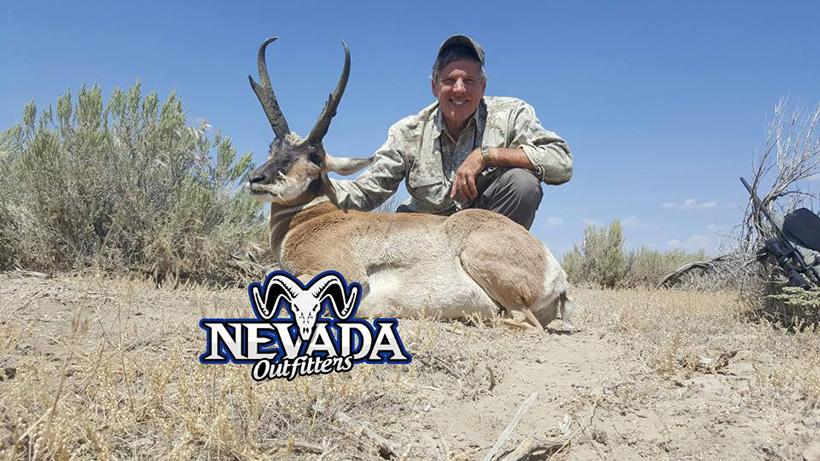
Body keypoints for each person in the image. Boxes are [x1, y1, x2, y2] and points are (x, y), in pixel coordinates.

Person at [329, 34, 572, 230]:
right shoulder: (407, 132)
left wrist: (486, 156)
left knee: (523, 184)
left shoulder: (512, 114)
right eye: (449, 80)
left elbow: (561, 162)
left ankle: (491, 272)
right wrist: (312, 183)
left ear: (483, 86)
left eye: (469, 81)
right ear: (434, 86)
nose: (459, 89)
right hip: (424, 236)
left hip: (484, 235)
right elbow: (366, 192)